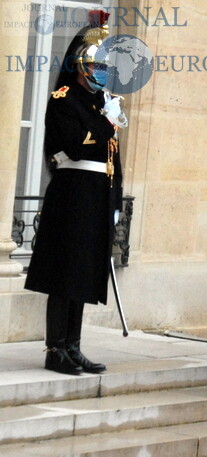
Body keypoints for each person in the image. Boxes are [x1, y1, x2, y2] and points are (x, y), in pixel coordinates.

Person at [25, 10, 127, 375]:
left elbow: (111, 159)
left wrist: (115, 200)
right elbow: (75, 145)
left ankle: (74, 345)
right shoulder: (64, 99)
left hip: (97, 193)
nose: (101, 75)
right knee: (65, 274)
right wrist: (106, 122)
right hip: (72, 193)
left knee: (83, 275)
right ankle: (55, 349)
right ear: (81, 67)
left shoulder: (101, 103)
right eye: (96, 68)